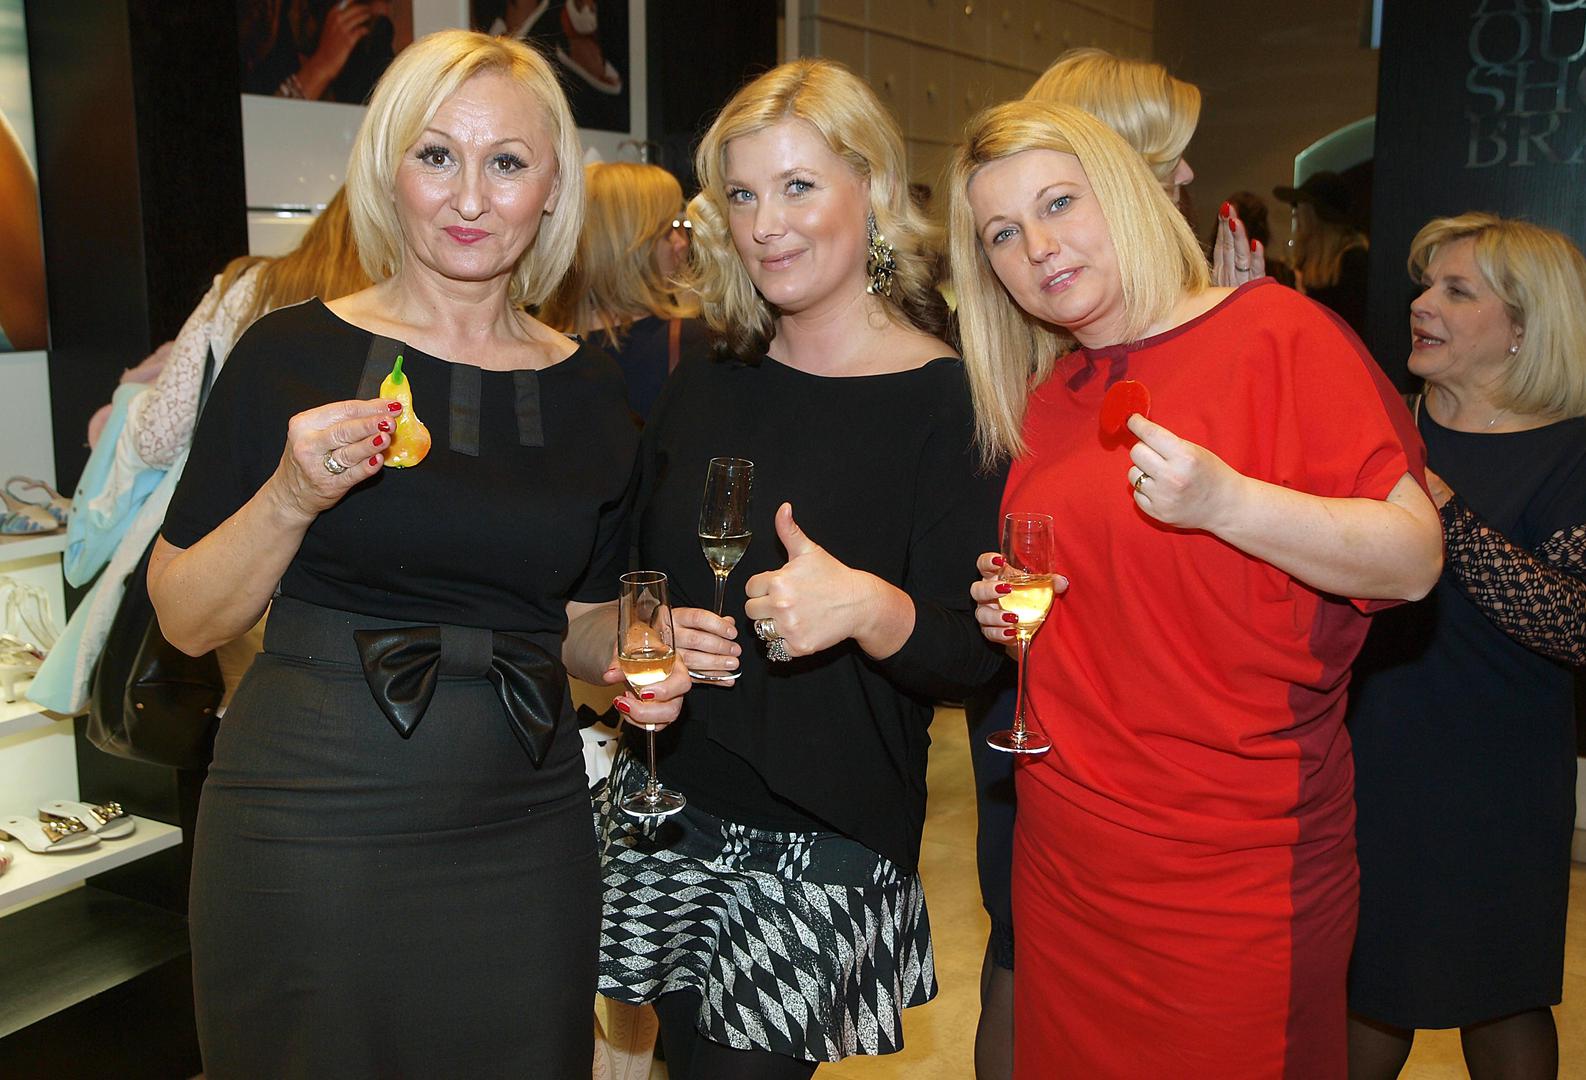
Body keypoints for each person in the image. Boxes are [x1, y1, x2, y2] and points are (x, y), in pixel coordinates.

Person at [147, 30, 688, 1077]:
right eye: (437, 155)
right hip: (313, 822)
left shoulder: (590, 389)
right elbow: (186, 617)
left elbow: (577, 621)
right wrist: (291, 496)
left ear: (553, 189)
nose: (470, 197)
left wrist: (635, 656)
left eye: (507, 162)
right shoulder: (288, 354)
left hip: (525, 827)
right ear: (388, 171)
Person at [945, 99, 1443, 1078]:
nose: (1037, 246)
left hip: (1232, 865)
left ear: (1122, 194)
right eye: (1001, 232)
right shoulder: (1050, 396)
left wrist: (1227, 502)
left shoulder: (1276, 335)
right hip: (1068, 851)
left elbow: (1411, 558)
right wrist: (1011, 608)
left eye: (1058, 203)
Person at [595, 58, 1006, 1078]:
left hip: (822, 832)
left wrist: (867, 607)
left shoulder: (945, 402)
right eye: (741, 195)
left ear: (870, 187)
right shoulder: (706, 380)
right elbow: (629, 578)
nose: (765, 224)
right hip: (668, 802)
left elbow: (971, 657)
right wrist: (650, 641)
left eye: (797, 186)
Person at [1346, 213, 1586, 1080]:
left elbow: (1572, 621)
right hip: (1365, 755)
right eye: (1425, 285)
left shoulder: (1571, 451)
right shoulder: (1377, 422)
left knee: (1503, 996)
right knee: (1366, 985)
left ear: (1524, 326)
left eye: (1456, 291)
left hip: (1498, 776)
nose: (1422, 304)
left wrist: (1440, 507)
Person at [29, 190, 367, 715]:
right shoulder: (402, 314)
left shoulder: (246, 287)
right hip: (347, 571)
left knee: (237, 713)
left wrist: (130, 396)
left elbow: (159, 436)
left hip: (233, 550)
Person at [541, 161, 709, 421]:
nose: (682, 243)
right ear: (630, 248)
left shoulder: (536, 346)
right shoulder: (688, 343)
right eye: (668, 231)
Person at [1275, 170, 1370, 337]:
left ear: (1315, 213)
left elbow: (1350, 327)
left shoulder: (1353, 261)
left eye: (1299, 205)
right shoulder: (1306, 261)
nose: (1295, 212)